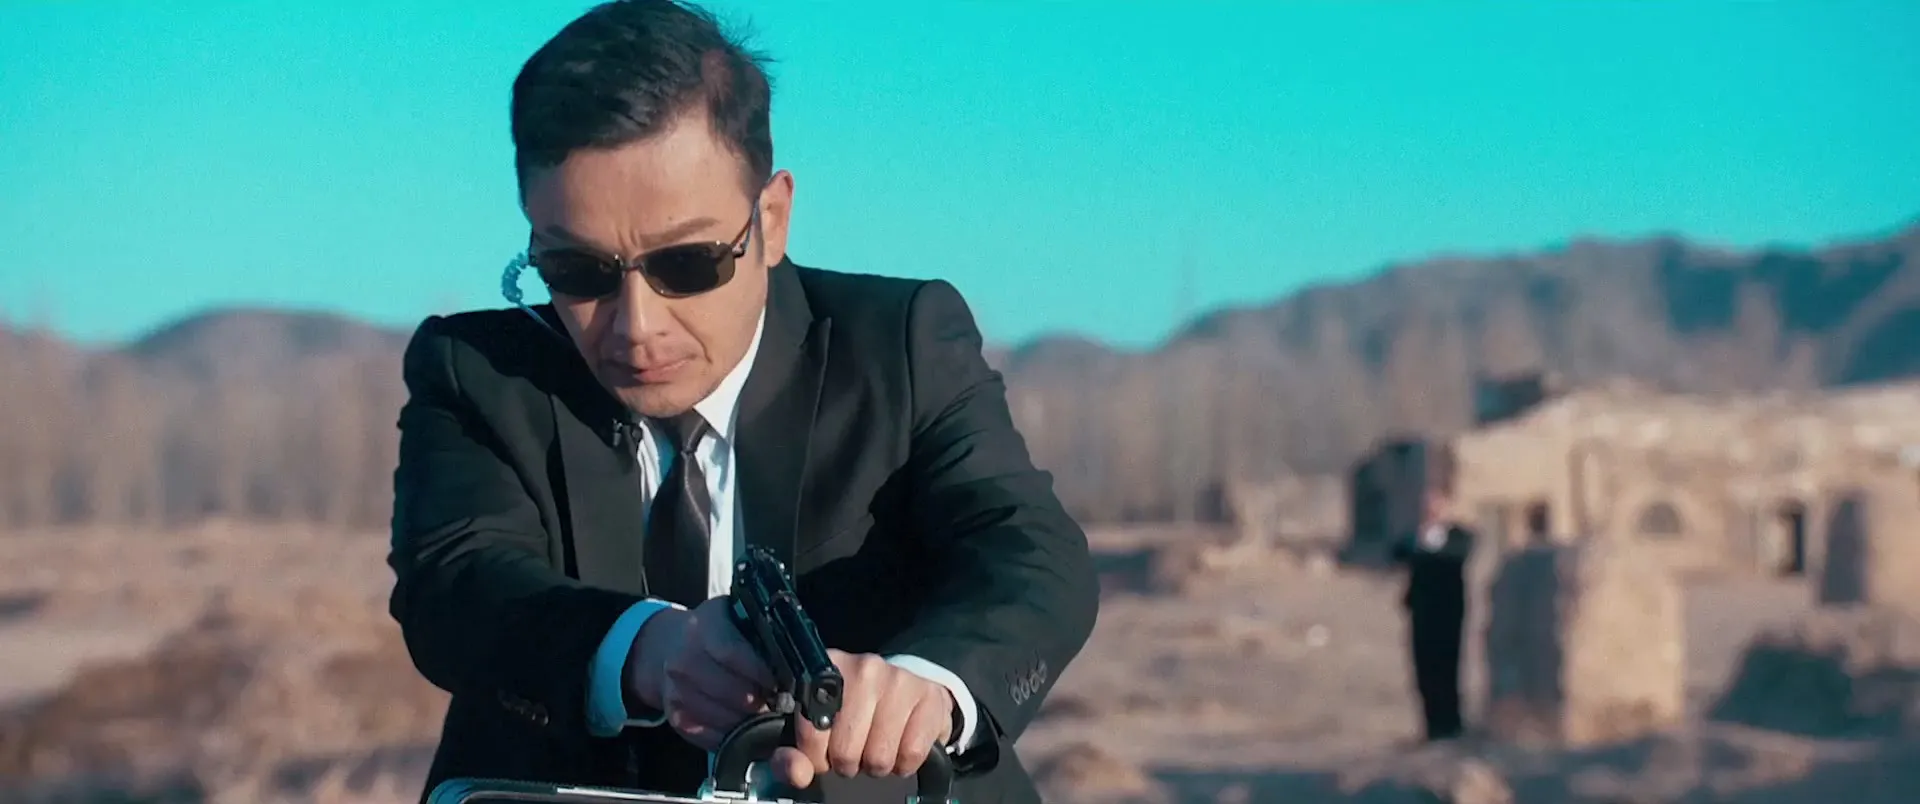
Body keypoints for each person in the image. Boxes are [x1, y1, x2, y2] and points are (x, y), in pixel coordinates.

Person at [385, 2, 1100, 802]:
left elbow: (1030, 553)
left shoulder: (901, 345)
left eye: (687, 264)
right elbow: (458, 586)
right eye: (577, 273)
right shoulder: (479, 370)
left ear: (772, 217)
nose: (637, 326)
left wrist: (928, 689)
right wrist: (645, 651)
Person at [1391, 482, 1474, 742]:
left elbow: (1458, 554)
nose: (1431, 510)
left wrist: (1427, 549)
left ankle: (1450, 725)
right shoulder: (1416, 537)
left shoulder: (1458, 535)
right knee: (1424, 672)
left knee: (1448, 670)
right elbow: (1396, 553)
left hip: (1448, 614)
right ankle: (1431, 726)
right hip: (1422, 615)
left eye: (1437, 504)